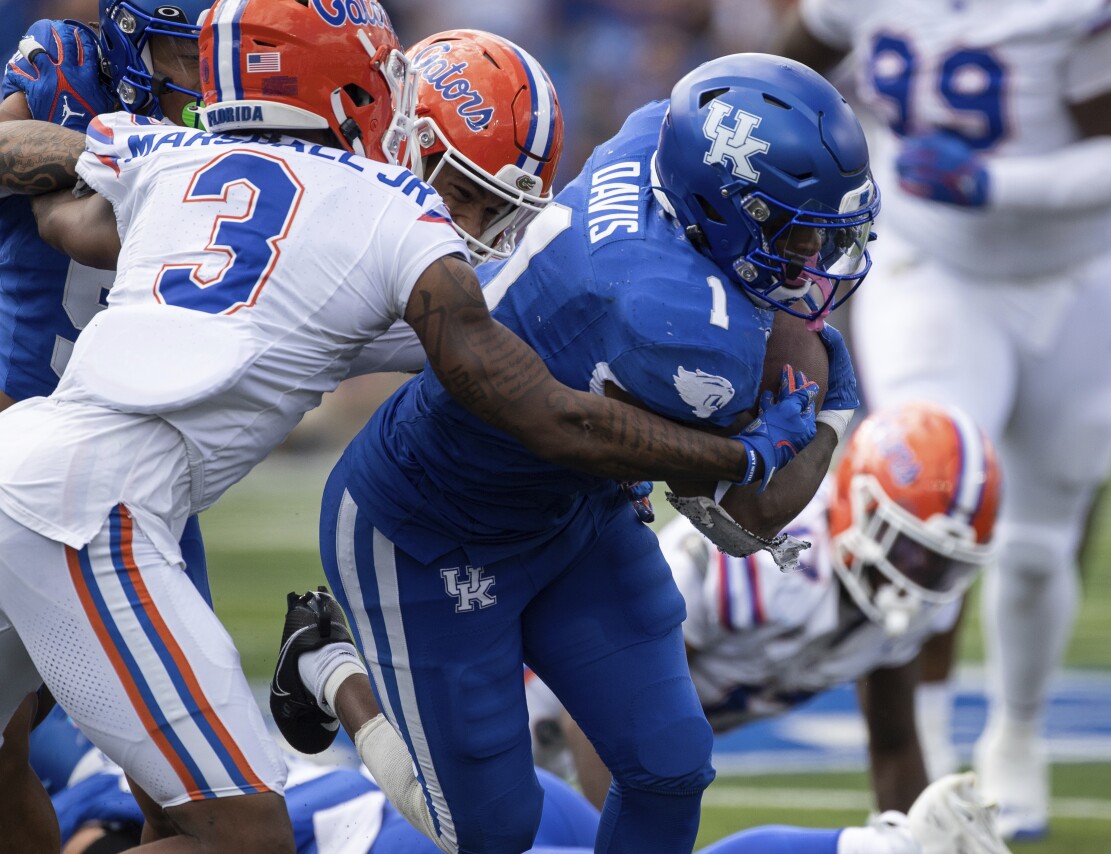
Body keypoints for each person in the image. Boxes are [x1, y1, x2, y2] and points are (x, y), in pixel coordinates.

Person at [0, 2, 822, 850]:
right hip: (94, 510)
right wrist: (736, 453)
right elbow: (540, 409)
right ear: (355, 97)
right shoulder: (394, 210)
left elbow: (62, 215)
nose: (477, 220)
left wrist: (79, 135)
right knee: (244, 839)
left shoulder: (175, 153)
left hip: (32, 462)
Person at [268, 51, 878, 854]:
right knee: (486, 831)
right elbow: (747, 514)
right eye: (797, 228)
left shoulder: (659, 134)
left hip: (573, 510)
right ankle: (326, 668)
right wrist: (832, 411)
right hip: (430, 528)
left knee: (670, 764)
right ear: (728, 208)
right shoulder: (680, 329)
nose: (814, 252)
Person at [773, 0, 1111, 840]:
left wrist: (998, 184)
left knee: (1038, 544)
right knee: (918, 499)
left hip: (1076, 272)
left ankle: (1018, 733)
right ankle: (921, 742)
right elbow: (779, 83)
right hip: (932, 263)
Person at [532, 401, 1003, 820]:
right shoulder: (770, 563)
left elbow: (895, 745)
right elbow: (608, 707)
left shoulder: (903, 608)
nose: (917, 577)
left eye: (943, 565)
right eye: (910, 549)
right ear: (860, 506)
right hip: (542, 698)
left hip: (612, 730)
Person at [0, 3, 210, 850]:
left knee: (191, 792)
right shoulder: (65, 63)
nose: (203, 80)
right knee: (7, 740)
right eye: (182, 55)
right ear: (128, 39)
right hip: (22, 435)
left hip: (142, 473)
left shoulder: (250, 122)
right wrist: (127, 156)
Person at [29, 702, 1005, 854]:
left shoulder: (94, 797)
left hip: (396, 835)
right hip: (449, 809)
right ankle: (871, 844)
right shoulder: (111, 749)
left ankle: (882, 847)